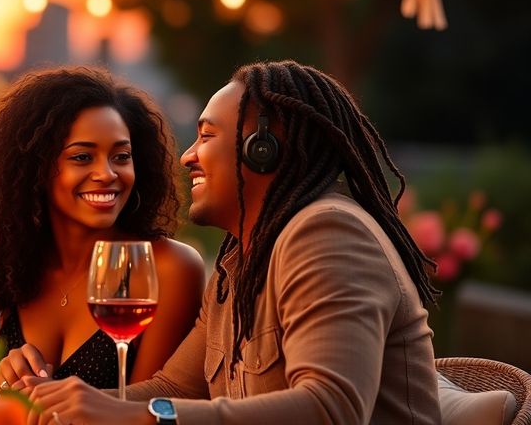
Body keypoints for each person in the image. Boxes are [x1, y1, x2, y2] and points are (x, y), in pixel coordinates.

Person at [22, 60, 441, 424]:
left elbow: (332, 409)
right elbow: (175, 388)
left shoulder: (326, 232)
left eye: (206, 136)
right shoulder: (241, 262)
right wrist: (55, 401)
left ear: (263, 149)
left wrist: (143, 417)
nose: (187, 156)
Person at [0, 66, 205, 391]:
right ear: (34, 169)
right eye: (82, 157)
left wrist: (52, 401)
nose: (107, 173)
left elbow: (145, 411)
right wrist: (3, 384)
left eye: (121, 156)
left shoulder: (169, 268)